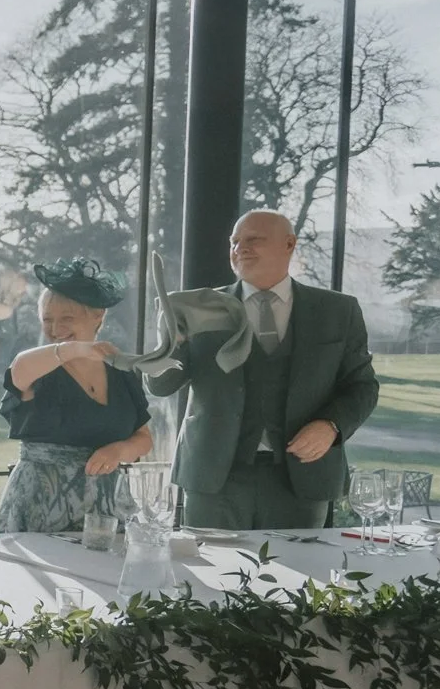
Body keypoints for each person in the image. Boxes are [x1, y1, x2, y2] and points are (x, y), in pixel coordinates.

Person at [145, 210, 379, 529]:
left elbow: (362, 387)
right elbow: (160, 386)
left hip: (302, 479)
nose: (241, 247)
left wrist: (331, 425)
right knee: (208, 577)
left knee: (300, 578)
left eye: (253, 239)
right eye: (235, 241)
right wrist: (168, 344)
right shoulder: (195, 308)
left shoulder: (337, 311)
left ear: (289, 244)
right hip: (214, 477)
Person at [0, 259, 153, 534]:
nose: (55, 329)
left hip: (106, 505)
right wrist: (74, 349)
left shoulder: (121, 373)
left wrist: (119, 451)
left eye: (67, 318)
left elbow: (144, 438)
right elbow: (18, 367)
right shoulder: (37, 366)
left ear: (98, 315)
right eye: (47, 319)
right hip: (39, 505)